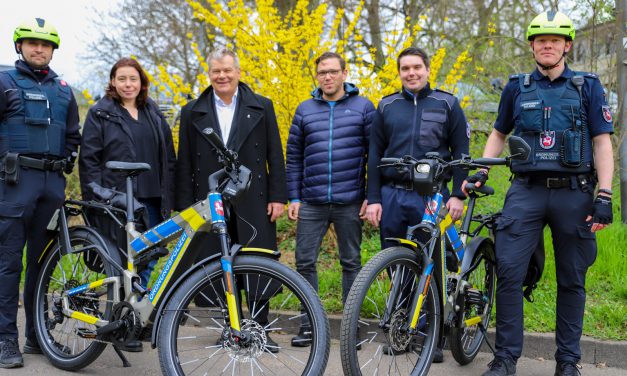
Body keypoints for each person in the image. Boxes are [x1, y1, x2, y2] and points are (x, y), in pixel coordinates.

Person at [462, 10, 614, 376]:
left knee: (571, 279)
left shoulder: (588, 86)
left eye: (555, 40)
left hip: (574, 194)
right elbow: (498, 133)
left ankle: (567, 362)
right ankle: (505, 360)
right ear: (532, 45)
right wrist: (482, 169)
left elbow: (601, 142)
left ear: (567, 46)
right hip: (525, 192)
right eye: (541, 40)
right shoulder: (516, 87)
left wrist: (605, 194)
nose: (548, 45)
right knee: (510, 274)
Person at [175, 48, 287, 351]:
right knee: (217, 260)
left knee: (258, 258)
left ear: (238, 72)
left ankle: (261, 327)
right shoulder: (192, 111)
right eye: (215, 71)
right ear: (209, 74)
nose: (221, 76)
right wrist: (186, 204)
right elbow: (184, 160)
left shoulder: (262, 106)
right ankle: (230, 327)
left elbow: (275, 155)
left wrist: (278, 196)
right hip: (209, 197)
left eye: (227, 70)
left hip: (253, 196)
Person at [365, 46, 470, 362]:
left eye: (416, 67)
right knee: (396, 265)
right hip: (392, 195)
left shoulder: (447, 103)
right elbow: (374, 155)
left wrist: (457, 194)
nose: (411, 73)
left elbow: (461, 152)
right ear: (399, 72)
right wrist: (373, 199)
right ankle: (401, 332)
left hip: (430, 196)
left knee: (431, 264)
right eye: (405, 68)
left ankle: (430, 338)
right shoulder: (386, 106)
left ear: (427, 69)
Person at [0, 18, 81, 367]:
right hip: (14, 182)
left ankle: (37, 335)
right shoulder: (3, 81)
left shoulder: (64, 89)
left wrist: (69, 159)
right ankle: (5, 341)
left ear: (52, 50)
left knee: (41, 264)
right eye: (32, 43)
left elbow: (74, 136)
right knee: (8, 264)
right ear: (19, 46)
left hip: (52, 187)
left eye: (45, 45)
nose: (38, 49)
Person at [286, 52, 375, 346]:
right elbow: (294, 158)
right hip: (311, 201)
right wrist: (294, 197)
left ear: (344, 73)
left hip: (350, 200)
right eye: (322, 72)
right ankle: (310, 325)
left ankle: (352, 330)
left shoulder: (364, 108)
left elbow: (373, 156)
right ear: (317, 76)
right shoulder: (304, 110)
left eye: (333, 71)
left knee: (351, 263)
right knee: (305, 261)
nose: (327, 77)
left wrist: (370, 195)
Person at [79, 57, 176, 293]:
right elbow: (88, 160)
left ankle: (132, 312)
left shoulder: (152, 111)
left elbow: (168, 156)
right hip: (119, 199)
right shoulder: (100, 113)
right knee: (123, 261)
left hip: (153, 198)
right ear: (113, 81)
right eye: (121, 79)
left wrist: (170, 195)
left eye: (133, 79)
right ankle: (122, 313)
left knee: (149, 256)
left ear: (142, 82)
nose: (127, 84)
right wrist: (97, 196)